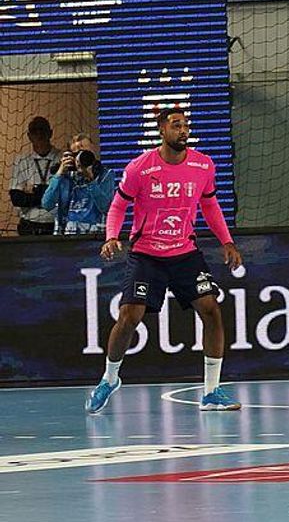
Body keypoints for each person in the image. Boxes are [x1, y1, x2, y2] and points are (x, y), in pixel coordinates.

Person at [88, 107, 244, 414]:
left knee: (211, 310)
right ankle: (109, 379)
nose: (182, 130)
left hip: (184, 253)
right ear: (162, 130)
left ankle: (211, 392)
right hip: (147, 254)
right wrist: (111, 236)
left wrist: (227, 242)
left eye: (185, 125)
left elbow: (210, 206)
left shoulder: (203, 165)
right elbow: (118, 206)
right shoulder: (140, 168)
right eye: (176, 125)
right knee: (129, 316)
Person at [42, 132, 117, 235]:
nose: (81, 158)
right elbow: (47, 204)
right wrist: (59, 173)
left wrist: (90, 180)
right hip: (66, 235)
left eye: (85, 153)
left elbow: (106, 208)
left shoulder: (106, 174)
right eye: (77, 154)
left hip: (96, 234)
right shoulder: (65, 177)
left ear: (93, 152)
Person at [9, 116, 61, 235]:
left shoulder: (62, 158)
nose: (39, 134)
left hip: (55, 225)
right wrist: (48, 193)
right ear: (29, 136)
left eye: (42, 130)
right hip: (29, 225)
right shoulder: (22, 161)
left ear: (50, 133)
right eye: (34, 131)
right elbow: (17, 199)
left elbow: (64, 196)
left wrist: (33, 192)